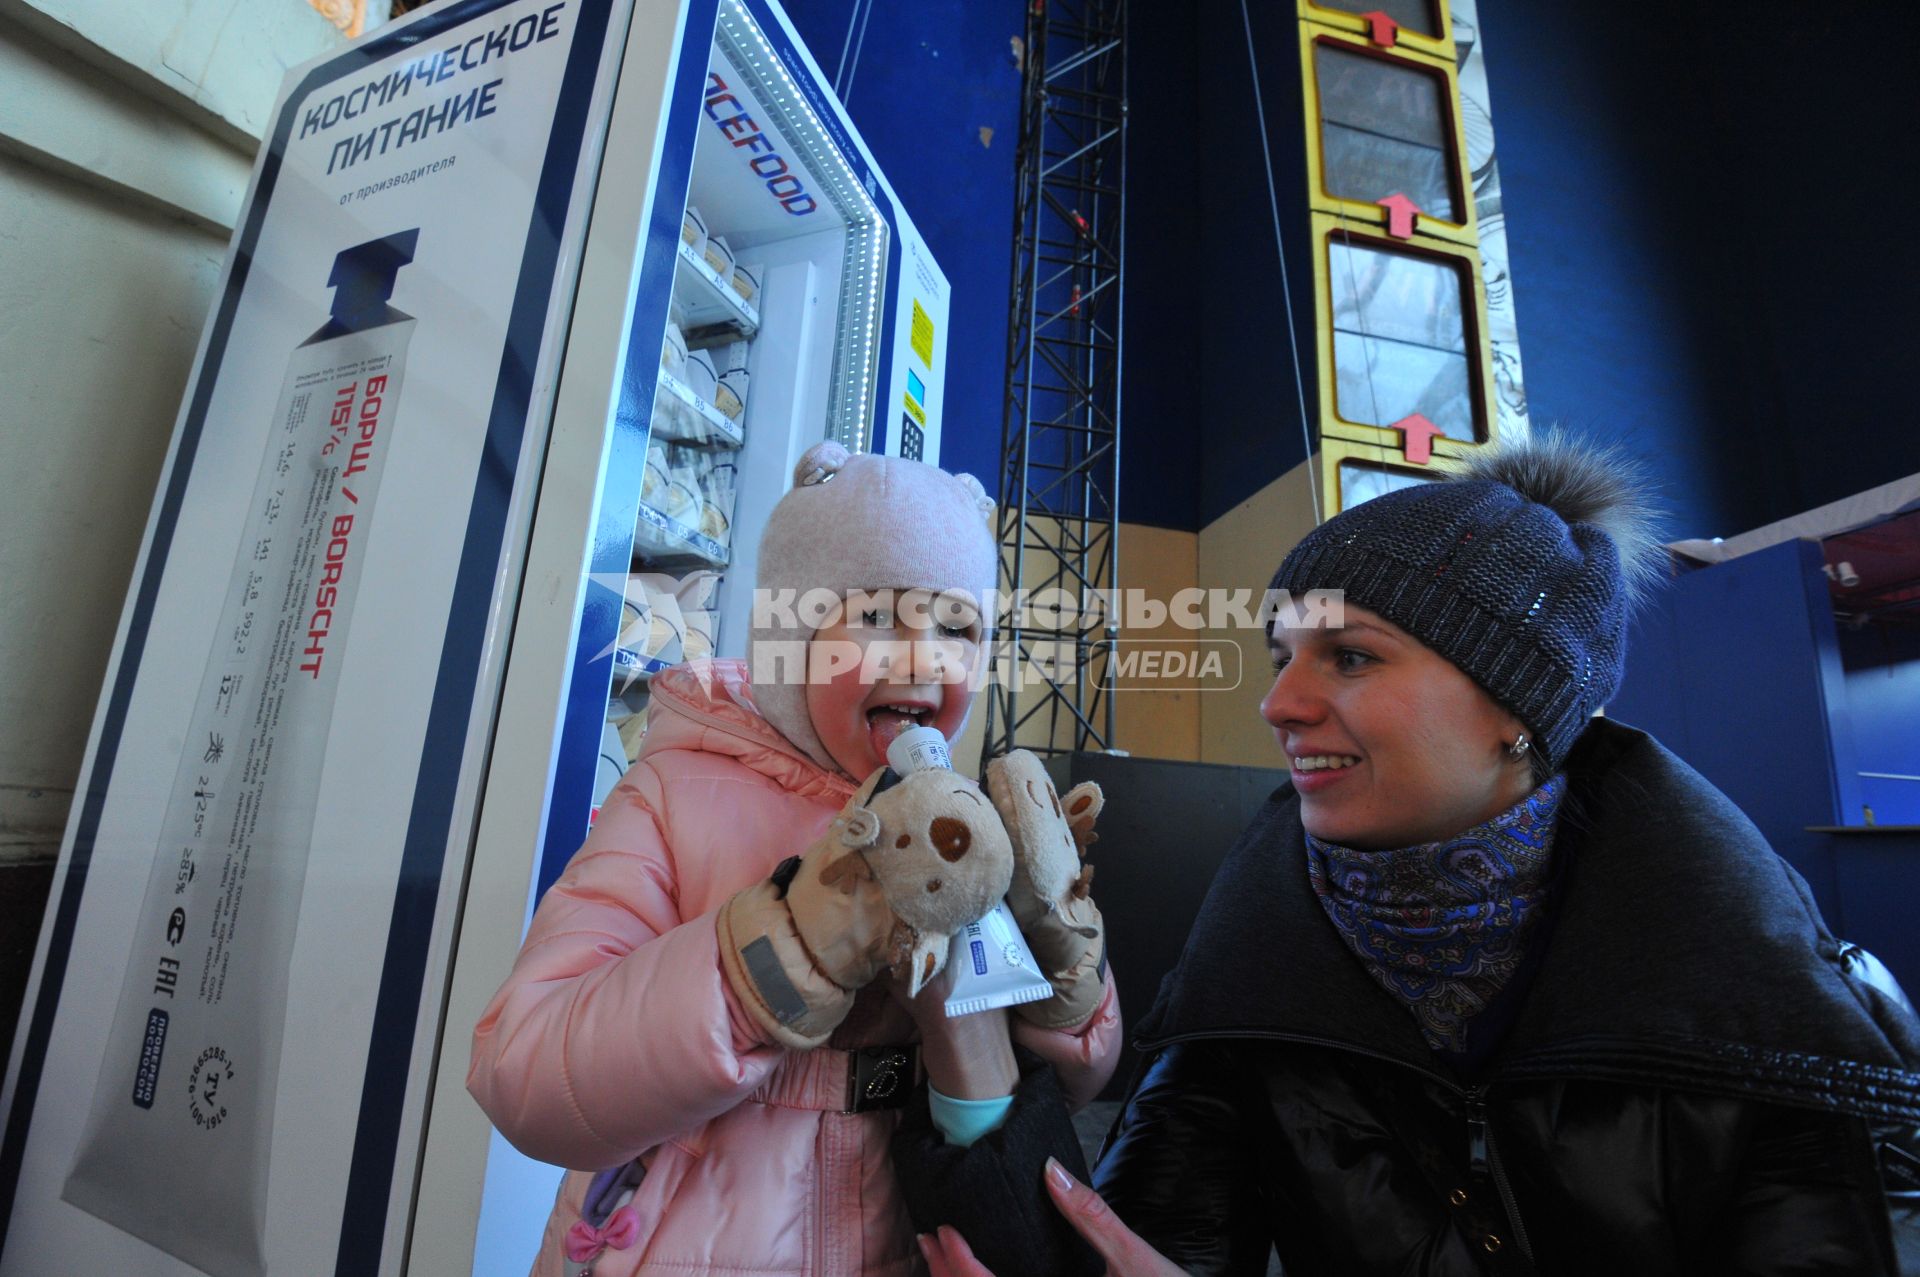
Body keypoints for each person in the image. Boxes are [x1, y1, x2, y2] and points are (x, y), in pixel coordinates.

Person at [892, 434, 1920, 1275]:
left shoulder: (1766, 1014)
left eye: (1350, 654)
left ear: (1516, 708)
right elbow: (1123, 1246)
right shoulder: (1248, 973)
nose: (1279, 703)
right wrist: (970, 1006)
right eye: (1283, 654)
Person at [467, 440, 1122, 1277]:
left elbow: (1063, 1093)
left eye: (958, 627)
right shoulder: (674, 795)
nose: (925, 656)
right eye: (878, 616)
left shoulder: (960, 826)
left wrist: (1067, 975)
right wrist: (788, 951)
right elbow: (523, 1071)